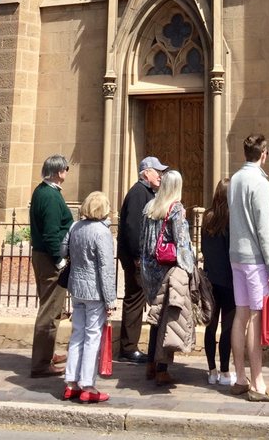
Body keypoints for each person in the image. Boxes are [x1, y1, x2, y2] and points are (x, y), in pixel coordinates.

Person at [228, 134, 269, 402]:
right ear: (263, 153)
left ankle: (240, 377)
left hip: (236, 255)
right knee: (254, 317)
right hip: (253, 259)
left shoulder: (236, 178)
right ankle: (258, 383)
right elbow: (263, 229)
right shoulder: (260, 182)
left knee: (241, 315)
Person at [59, 191, 116, 403]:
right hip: (94, 292)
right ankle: (88, 385)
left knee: (77, 335)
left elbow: (63, 249)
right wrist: (110, 300)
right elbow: (106, 269)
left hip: (77, 289)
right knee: (93, 337)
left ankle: (71, 382)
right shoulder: (101, 232)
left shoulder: (75, 227)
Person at [140, 168, 196, 385]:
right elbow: (182, 244)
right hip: (168, 271)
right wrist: (189, 269)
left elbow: (143, 241)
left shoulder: (149, 206)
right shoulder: (176, 209)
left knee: (155, 318)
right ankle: (162, 369)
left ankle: (150, 365)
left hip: (150, 270)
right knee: (168, 320)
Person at [117, 156, 168, 362]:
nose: (161, 176)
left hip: (140, 258)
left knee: (137, 299)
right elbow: (133, 228)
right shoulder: (139, 193)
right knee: (135, 299)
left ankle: (130, 346)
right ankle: (128, 348)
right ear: (146, 172)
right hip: (136, 259)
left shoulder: (145, 192)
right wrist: (138, 255)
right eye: (158, 172)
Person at [29, 154, 74, 377]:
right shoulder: (50, 196)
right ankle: (40, 363)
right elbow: (51, 232)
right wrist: (59, 260)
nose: (67, 171)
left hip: (41, 256)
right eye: (65, 168)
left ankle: (46, 353)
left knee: (49, 307)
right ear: (57, 172)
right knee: (50, 311)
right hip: (49, 259)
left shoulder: (43, 191)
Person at [201, 178, 236, 386]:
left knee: (210, 326)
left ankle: (211, 370)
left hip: (210, 279)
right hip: (229, 281)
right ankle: (225, 371)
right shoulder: (232, 219)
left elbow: (205, 248)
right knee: (228, 327)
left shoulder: (207, 217)